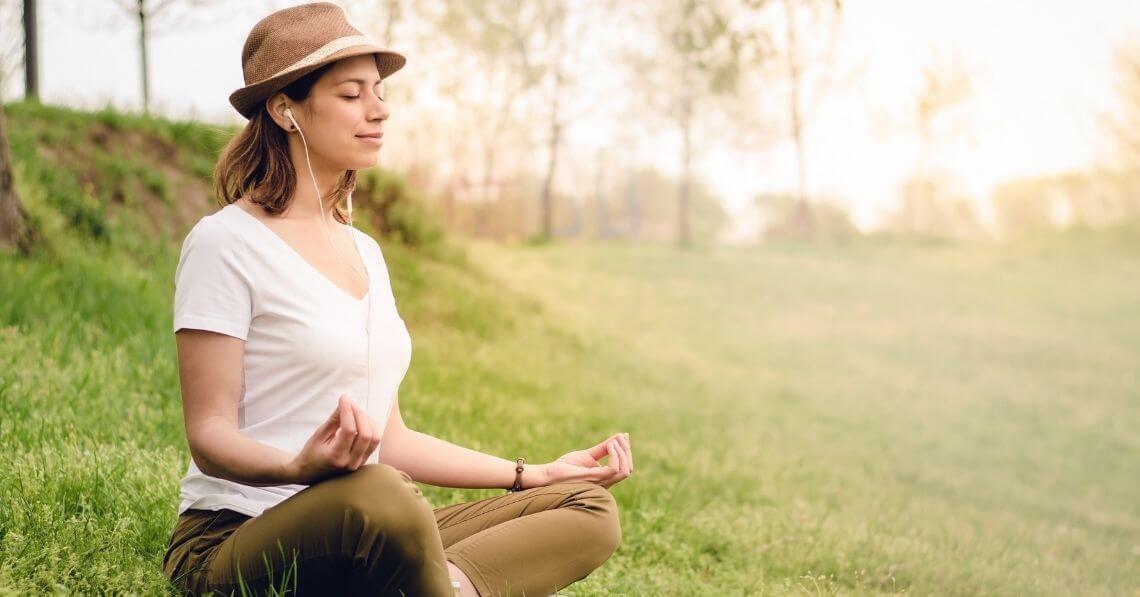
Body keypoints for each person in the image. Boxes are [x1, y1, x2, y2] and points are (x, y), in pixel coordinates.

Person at [160, 3, 633, 596]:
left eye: (379, 92)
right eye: (352, 94)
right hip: (236, 539)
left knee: (584, 506)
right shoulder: (225, 242)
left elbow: (394, 439)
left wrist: (529, 474)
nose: (380, 110)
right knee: (383, 492)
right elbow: (208, 435)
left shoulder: (365, 252)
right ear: (285, 110)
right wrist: (297, 470)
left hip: (366, 524)